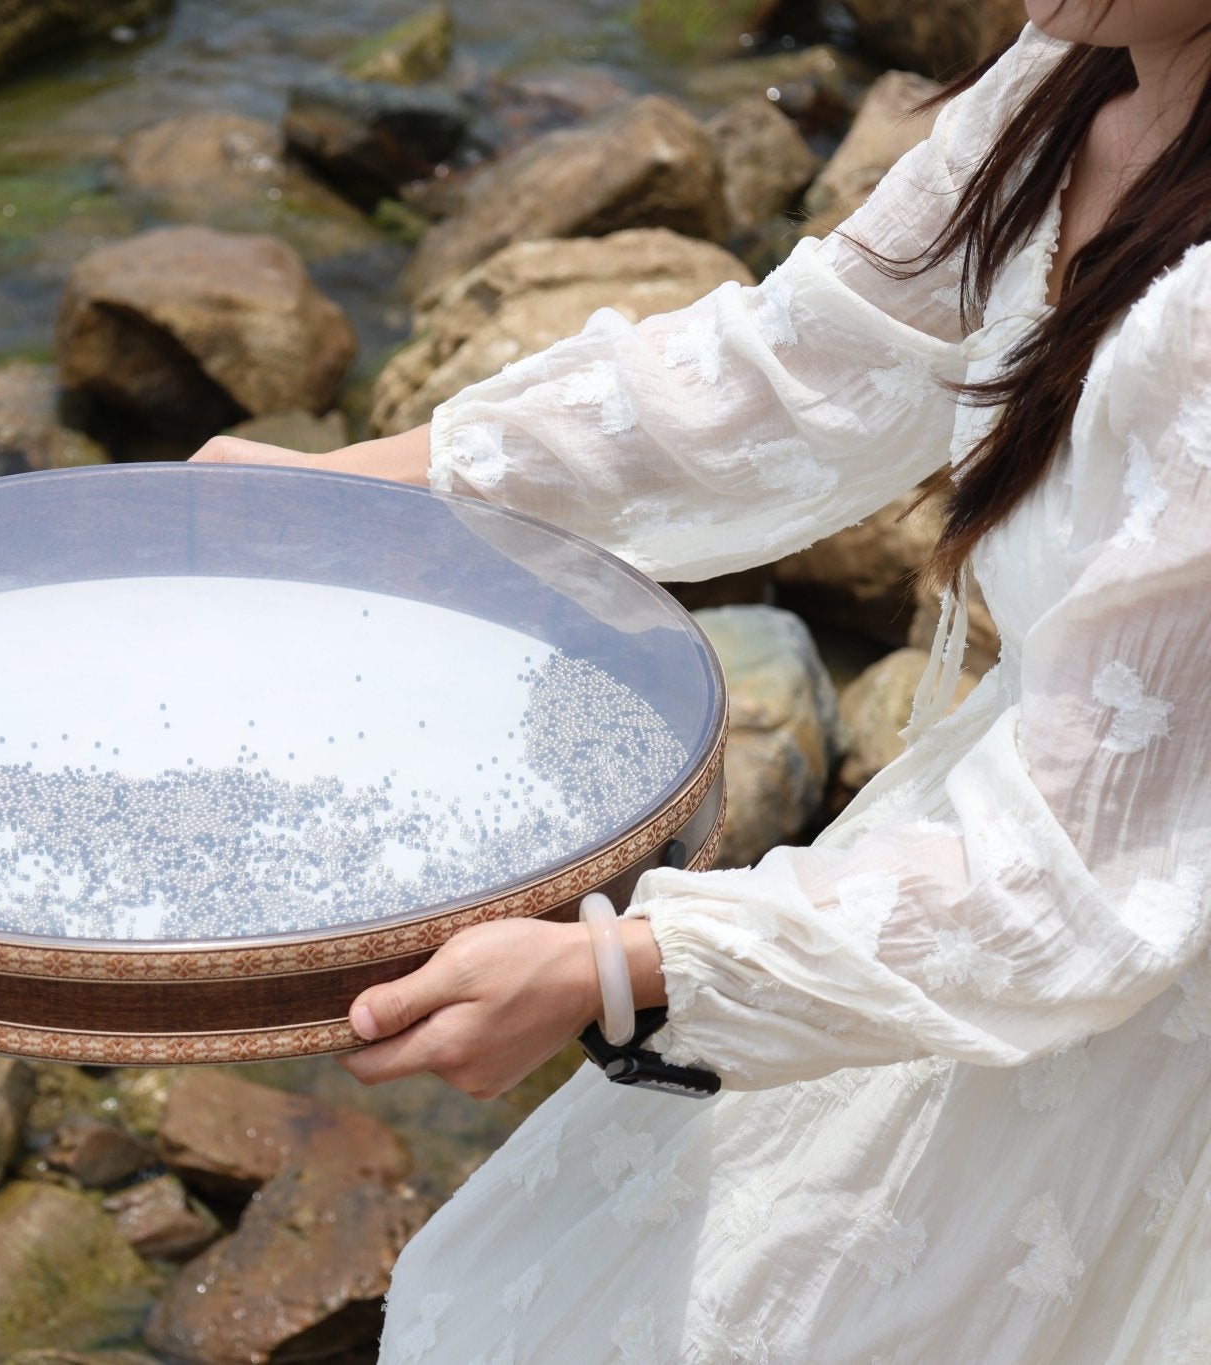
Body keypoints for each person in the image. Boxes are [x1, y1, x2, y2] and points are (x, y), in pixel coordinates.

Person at [192, 2, 1211, 1358]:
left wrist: (623, 967)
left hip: (1123, 952)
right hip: (1013, 833)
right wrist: (360, 492)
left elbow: (1081, 868)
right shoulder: (1075, 77)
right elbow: (797, 371)